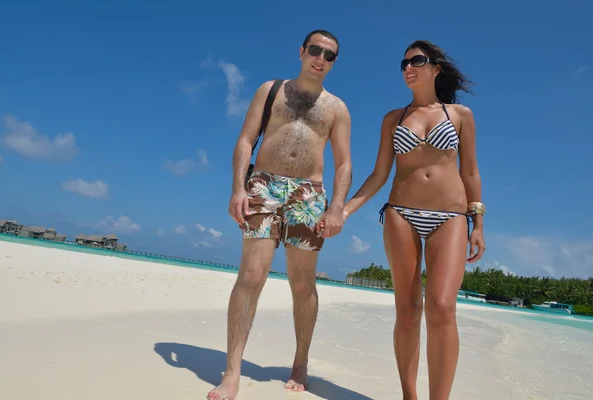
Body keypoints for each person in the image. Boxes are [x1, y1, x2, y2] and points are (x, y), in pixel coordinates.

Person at [207, 29, 352, 400]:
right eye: (316, 50)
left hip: (309, 195)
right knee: (252, 275)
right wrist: (239, 188)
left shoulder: (336, 108)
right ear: (302, 51)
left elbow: (344, 163)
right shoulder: (271, 89)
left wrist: (336, 207)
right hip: (265, 185)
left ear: (334, 62)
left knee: (302, 285)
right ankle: (233, 371)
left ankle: (300, 362)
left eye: (330, 55)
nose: (321, 58)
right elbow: (245, 139)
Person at [342, 40, 486, 400]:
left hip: (450, 217)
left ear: (435, 68)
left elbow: (470, 172)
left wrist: (478, 223)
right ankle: (409, 396)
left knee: (440, 308)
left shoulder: (460, 115)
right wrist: (342, 209)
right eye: (404, 62)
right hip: (400, 214)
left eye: (417, 60)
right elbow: (379, 175)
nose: (408, 67)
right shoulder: (394, 118)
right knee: (407, 310)